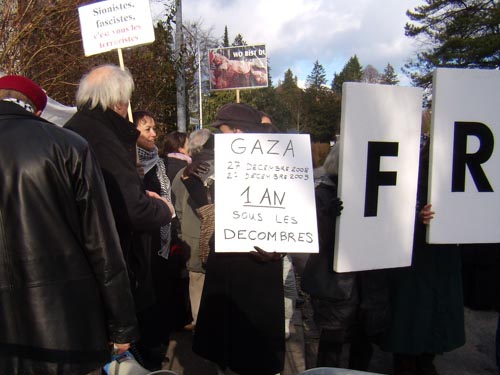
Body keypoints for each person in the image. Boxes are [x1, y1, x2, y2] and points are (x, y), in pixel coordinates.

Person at [0, 75, 138, 375]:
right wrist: (122, 326)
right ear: (36, 110)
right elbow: (102, 243)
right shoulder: (68, 145)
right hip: (65, 326)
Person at [64, 65, 175, 366]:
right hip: (116, 267)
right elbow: (132, 211)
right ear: (118, 101)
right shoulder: (103, 138)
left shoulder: (70, 132)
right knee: (132, 358)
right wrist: (165, 209)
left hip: (78, 272)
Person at [191, 103, 285, 375]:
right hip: (226, 265)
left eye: (223, 131)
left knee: (253, 352)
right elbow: (210, 213)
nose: (219, 138)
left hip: (258, 272)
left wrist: (280, 249)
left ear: (238, 132)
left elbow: (292, 217)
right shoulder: (218, 167)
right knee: (224, 349)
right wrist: (191, 181)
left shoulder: (279, 166)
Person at [301, 143, 391, 371]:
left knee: (363, 342)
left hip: (367, 283)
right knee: (333, 343)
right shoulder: (323, 193)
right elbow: (312, 239)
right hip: (335, 284)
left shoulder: (377, 191)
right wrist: (329, 217)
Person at [382, 139, 465, 375]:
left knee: (434, 315)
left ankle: (426, 358)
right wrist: (416, 216)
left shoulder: (459, 175)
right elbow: (388, 207)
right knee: (410, 315)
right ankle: (407, 361)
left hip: (441, 256)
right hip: (414, 257)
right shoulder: (410, 173)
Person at [171, 128, 213, 331]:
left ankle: (200, 326)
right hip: (219, 241)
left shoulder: (182, 174)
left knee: (197, 283)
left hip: (191, 237)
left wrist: (182, 233)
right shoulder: (227, 171)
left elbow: (177, 208)